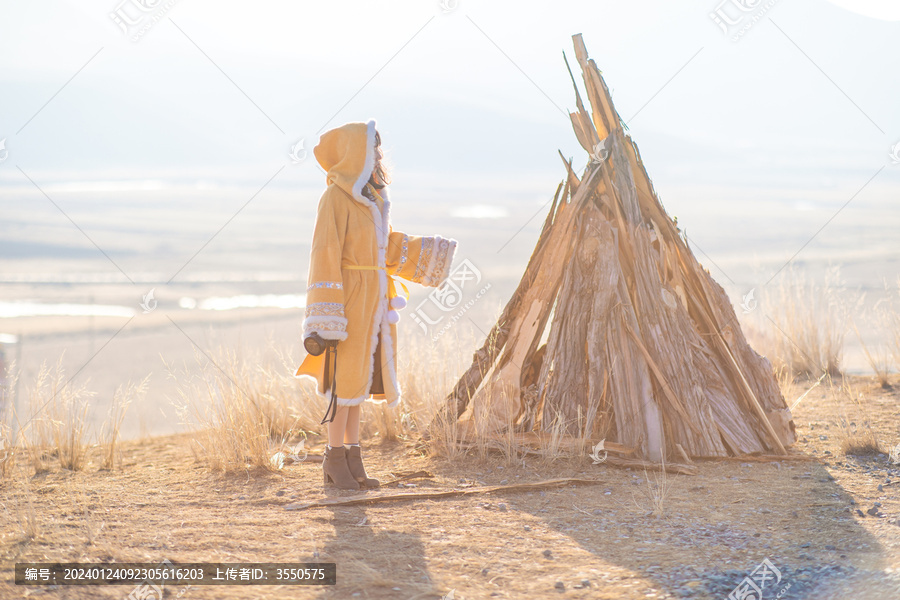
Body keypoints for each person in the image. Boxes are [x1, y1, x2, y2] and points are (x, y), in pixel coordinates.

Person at [295, 119, 458, 490]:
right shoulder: (334, 199)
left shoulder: (373, 198)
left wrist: (429, 252)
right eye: (371, 149)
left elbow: (381, 249)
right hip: (348, 302)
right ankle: (333, 459)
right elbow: (324, 254)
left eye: (378, 151)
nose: (377, 156)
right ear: (354, 153)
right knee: (343, 384)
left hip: (375, 302)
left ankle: (352, 458)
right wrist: (326, 317)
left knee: (359, 385)